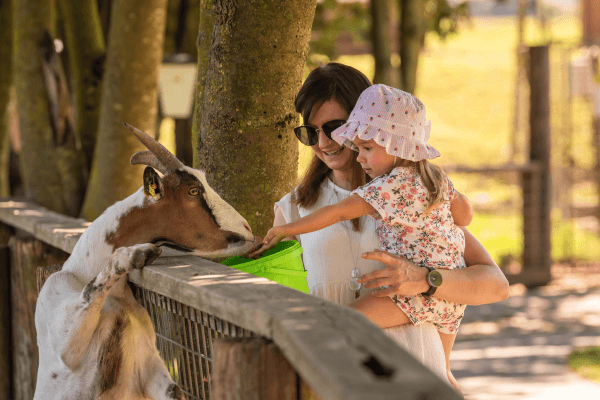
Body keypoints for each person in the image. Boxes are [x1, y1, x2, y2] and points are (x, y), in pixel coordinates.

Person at [253, 63, 509, 390]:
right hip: (337, 384)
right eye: (310, 132)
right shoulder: (292, 212)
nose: (324, 143)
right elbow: (282, 307)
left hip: (417, 380)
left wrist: (425, 279)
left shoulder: (413, 197)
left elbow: (495, 285)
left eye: (334, 127)